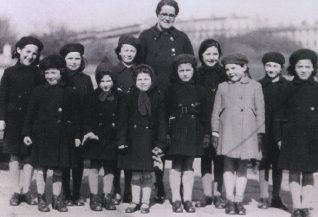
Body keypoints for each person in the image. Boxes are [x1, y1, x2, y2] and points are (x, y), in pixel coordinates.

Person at [139, 0, 194, 203]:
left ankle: (178, 190)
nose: (168, 18)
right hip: (152, 98)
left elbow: (190, 67)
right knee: (153, 140)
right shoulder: (146, 36)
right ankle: (157, 184)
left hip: (176, 98)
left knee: (175, 141)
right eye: (164, 14)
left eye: (172, 15)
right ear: (157, 14)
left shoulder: (181, 38)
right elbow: (140, 69)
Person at [22, 54, 80, 212]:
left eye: (53, 72)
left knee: (59, 170)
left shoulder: (70, 92)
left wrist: (76, 136)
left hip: (62, 135)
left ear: (61, 72)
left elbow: (75, 117)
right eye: (46, 73)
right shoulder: (38, 91)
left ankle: (56, 198)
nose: (49, 76)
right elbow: (30, 115)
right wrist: (27, 133)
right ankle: (42, 198)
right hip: (41, 135)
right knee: (41, 169)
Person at [211, 53, 265, 215]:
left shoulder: (255, 86)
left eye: (234, 68)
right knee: (227, 165)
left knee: (242, 167)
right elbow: (215, 112)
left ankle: (238, 200)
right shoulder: (223, 87)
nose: (230, 72)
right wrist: (215, 131)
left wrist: (260, 133)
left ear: (244, 68)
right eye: (227, 69)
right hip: (227, 131)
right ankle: (229, 199)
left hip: (248, 132)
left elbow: (260, 111)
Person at [116, 64, 167, 214]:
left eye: (146, 78)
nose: (143, 82)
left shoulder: (158, 97)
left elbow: (162, 123)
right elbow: (122, 121)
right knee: (135, 174)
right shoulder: (128, 97)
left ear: (152, 80)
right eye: (139, 79)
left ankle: (145, 202)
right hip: (133, 141)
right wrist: (121, 140)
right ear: (134, 80)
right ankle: (134, 201)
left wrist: (160, 143)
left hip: (150, 141)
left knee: (147, 173)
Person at [0, 36, 44, 206]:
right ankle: (15, 192)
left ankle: (26, 190)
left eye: (34, 53)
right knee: (14, 155)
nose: (30, 56)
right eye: (27, 51)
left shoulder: (39, 74)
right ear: (18, 50)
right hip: (13, 120)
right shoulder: (9, 73)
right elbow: (2, 97)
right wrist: (1, 118)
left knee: (30, 156)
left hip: (32, 121)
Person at [275, 49, 318, 217]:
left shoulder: (316, 88)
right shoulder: (287, 88)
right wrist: (278, 137)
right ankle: (297, 206)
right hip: (291, 136)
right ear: (293, 68)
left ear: (313, 68)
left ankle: (306, 204)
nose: (304, 70)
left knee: (308, 172)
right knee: (294, 171)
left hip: (313, 137)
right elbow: (278, 115)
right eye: (300, 66)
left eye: (307, 67)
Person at [167, 54, 209, 213]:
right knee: (176, 165)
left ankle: (187, 199)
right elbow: (164, 113)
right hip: (176, 128)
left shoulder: (201, 90)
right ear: (176, 72)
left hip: (194, 129)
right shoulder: (170, 89)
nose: (185, 73)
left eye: (188, 70)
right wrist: (166, 133)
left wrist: (206, 134)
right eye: (181, 70)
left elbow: (205, 114)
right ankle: (176, 198)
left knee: (189, 165)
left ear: (193, 70)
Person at [59, 43, 94, 206]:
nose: (74, 62)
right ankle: (65, 193)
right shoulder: (60, 77)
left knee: (78, 161)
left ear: (82, 60)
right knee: (65, 160)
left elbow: (89, 105)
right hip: (63, 126)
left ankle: (76, 193)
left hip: (80, 125)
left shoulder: (86, 80)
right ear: (64, 60)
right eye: (70, 58)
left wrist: (87, 129)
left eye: (77, 58)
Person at [195, 39, 227, 209]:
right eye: (208, 54)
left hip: (221, 122)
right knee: (205, 158)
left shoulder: (224, 73)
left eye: (215, 54)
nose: (211, 57)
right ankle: (206, 193)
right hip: (202, 121)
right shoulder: (197, 74)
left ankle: (218, 194)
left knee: (219, 158)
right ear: (201, 55)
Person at [82, 66, 118, 211]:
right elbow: (87, 118)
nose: (105, 84)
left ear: (113, 81)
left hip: (111, 137)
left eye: (108, 80)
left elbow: (122, 117)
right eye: (102, 81)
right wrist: (89, 131)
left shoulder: (119, 97)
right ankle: (94, 196)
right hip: (95, 137)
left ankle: (107, 195)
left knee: (109, 167)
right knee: (94, 166)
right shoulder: (91, 96)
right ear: (97, 81)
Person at [257, 52, 289, 210]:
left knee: (278, 163)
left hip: (281, 131)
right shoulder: (259, 85)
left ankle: (276, 197)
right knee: (263, 162)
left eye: (275, 66)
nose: (271, 69)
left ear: (281, 67)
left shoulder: (287, 86)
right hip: (263, 130)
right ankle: (263, 196)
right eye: (268, 65)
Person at [112, 34, 141, 204]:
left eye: (132, 51)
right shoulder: (114, 71)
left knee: (130, 156)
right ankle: (116, 189)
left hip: (133, 120)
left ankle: (129, 190)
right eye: (126, 50)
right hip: (115, 118)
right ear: (120, 52)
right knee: (116, 157)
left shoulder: (140, 71)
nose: (129, 54)